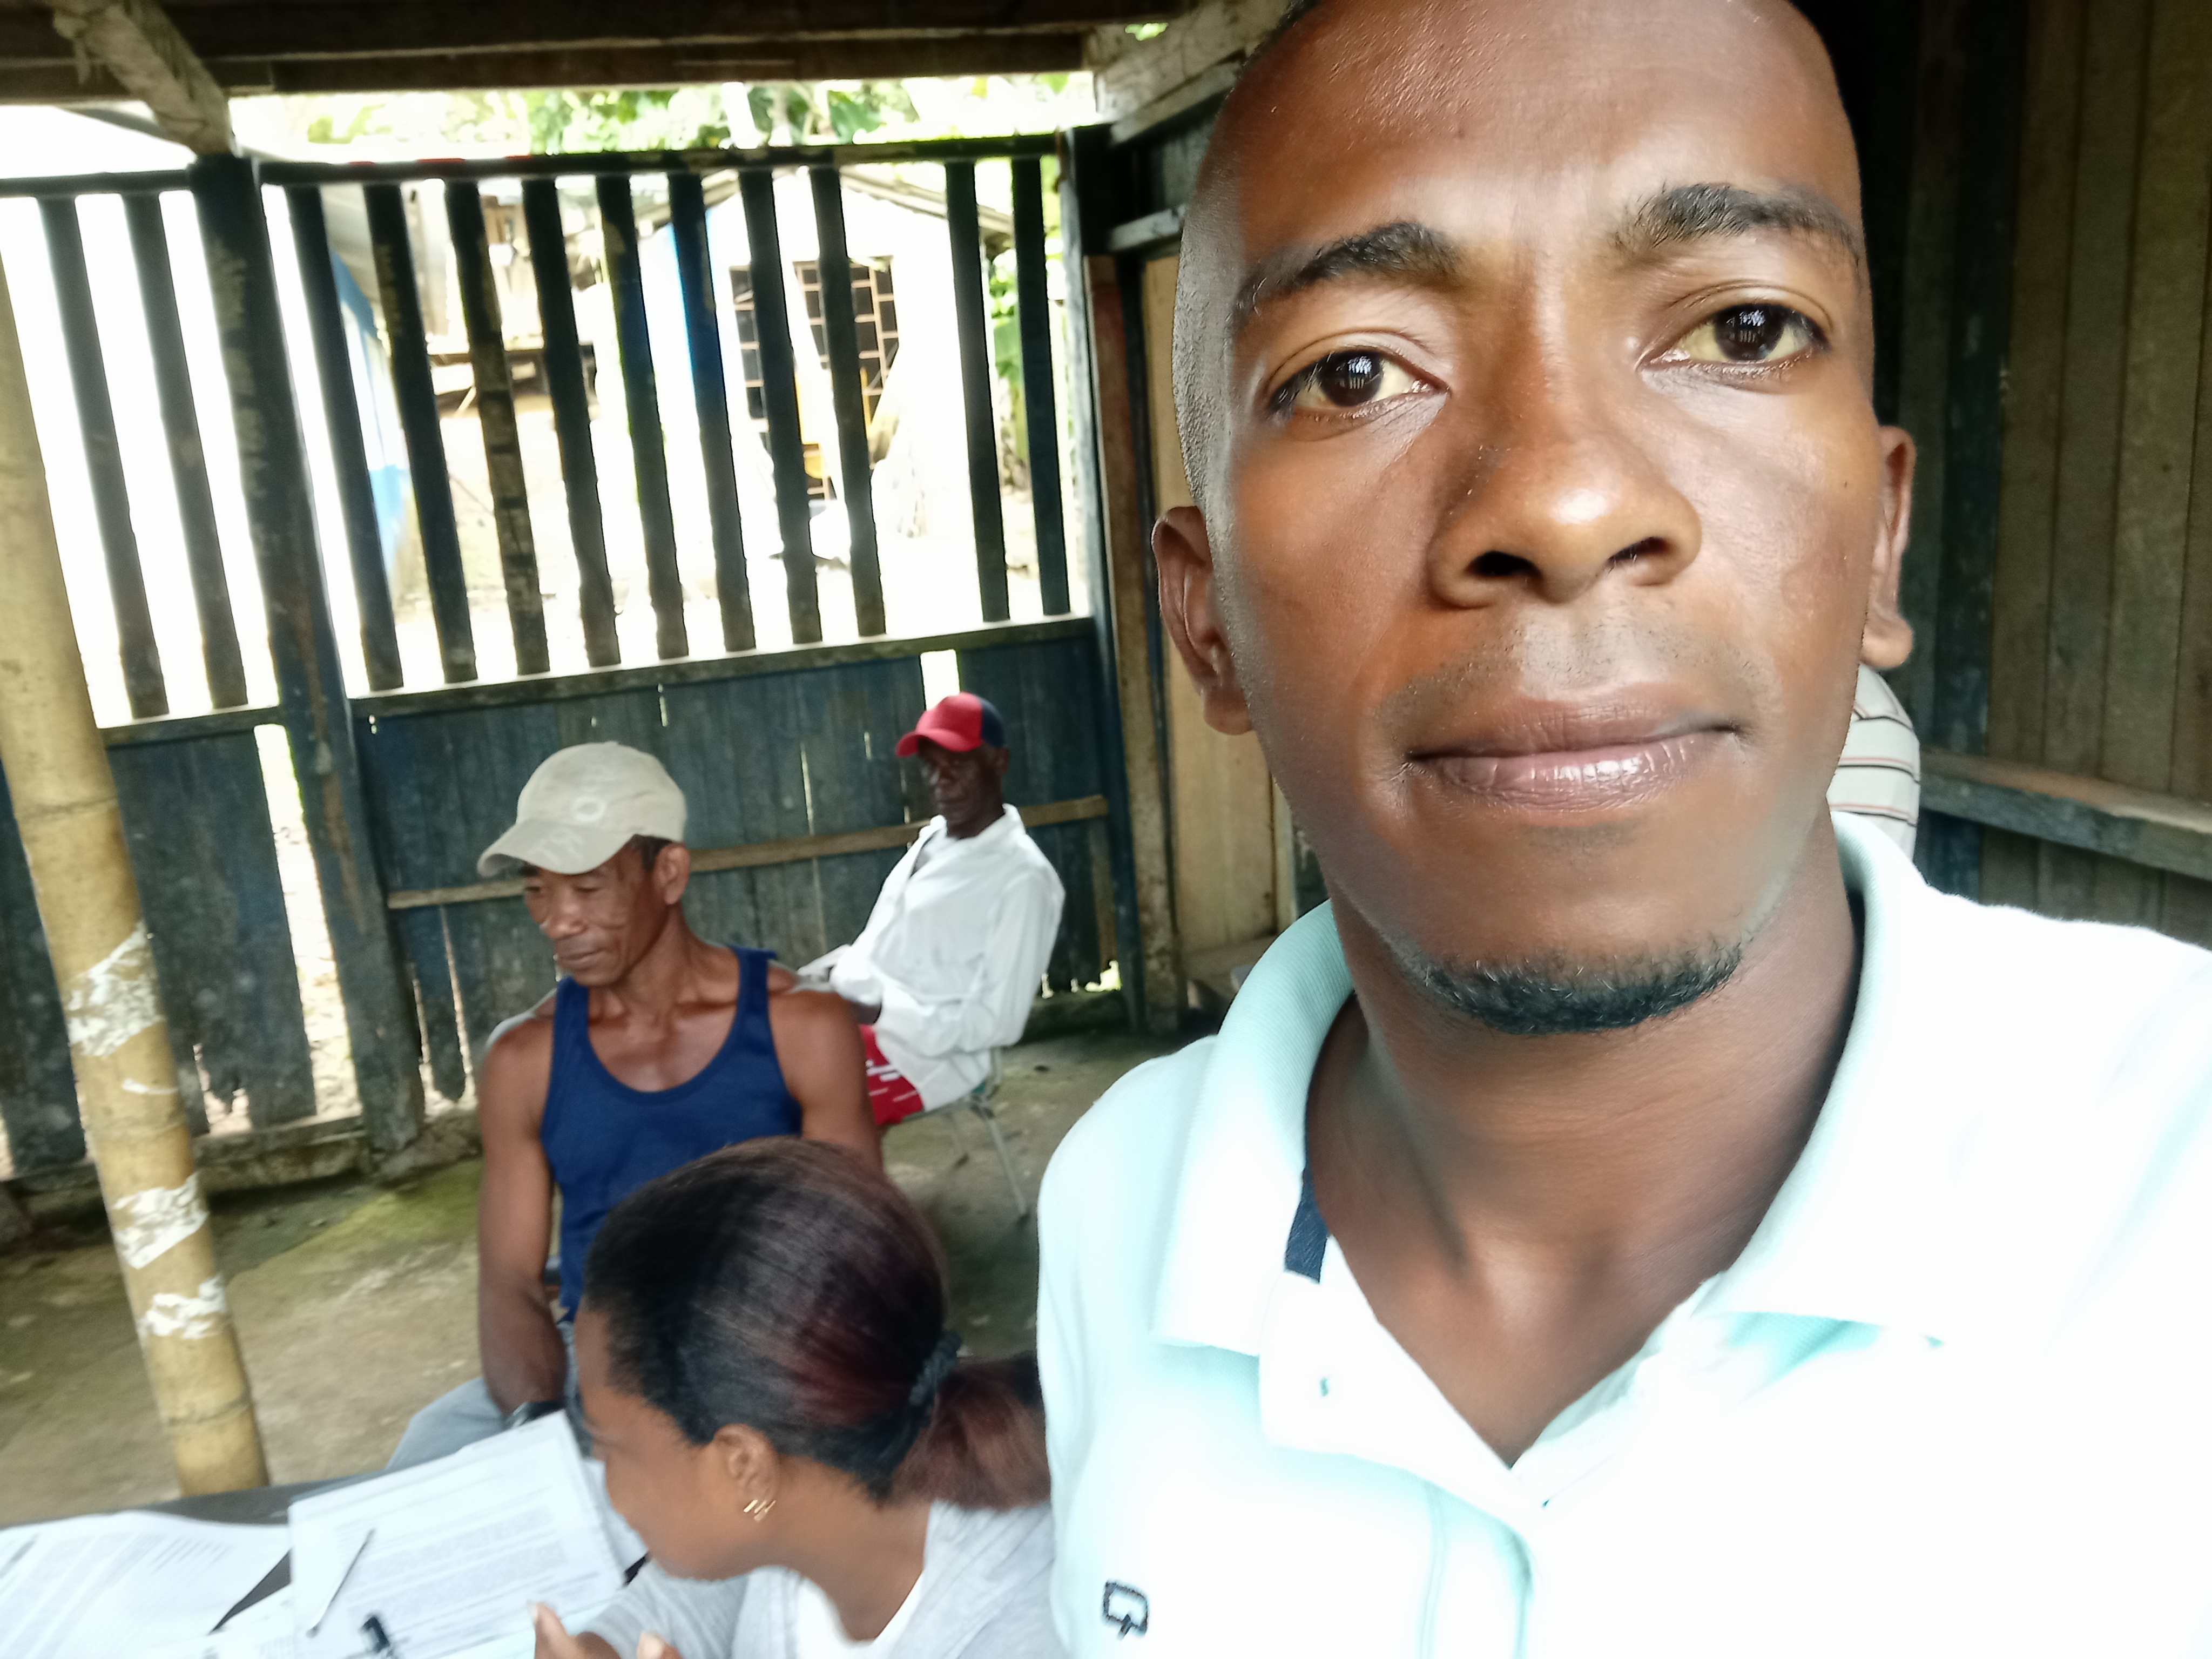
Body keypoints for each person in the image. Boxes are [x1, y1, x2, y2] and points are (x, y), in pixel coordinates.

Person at [1036, 2, 2212, 1654]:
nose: (1564, 503)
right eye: (1356, 372)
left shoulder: (2178, 1185)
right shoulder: (1118, 1208)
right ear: (1206, 615)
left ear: (1881, 537)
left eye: (1741, 326)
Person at [389, 743, 879, 1469]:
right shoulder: (525, 1059)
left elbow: (863, 1249)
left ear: (669, 874)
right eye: (537, 890)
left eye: (587, 889)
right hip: (598, 1362)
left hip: (766, 1353)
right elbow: (510, 1281)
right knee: (422, 1463)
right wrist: (537, 1429)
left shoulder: (800, 1026)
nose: (557, 921)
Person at [529, 1139, 1060, 1658]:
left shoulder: (1027, 1631)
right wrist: (600, 1649)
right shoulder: (813, 1471)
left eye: (610, 1446)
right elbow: (693, 1592)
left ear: (744, 1465)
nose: (601, 1471)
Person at [804, 694, 1064, 1129]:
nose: (940, 782)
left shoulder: (1023, 879)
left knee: (779, 1097)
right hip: (857, 1012)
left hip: (922, 1058)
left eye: (958, 764)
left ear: (998, 762)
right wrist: (829, 972)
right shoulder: (936, 838)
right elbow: (893, 943)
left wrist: (877, 1011)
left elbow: (997, 1024)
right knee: (746, 1046)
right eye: (931, 765)